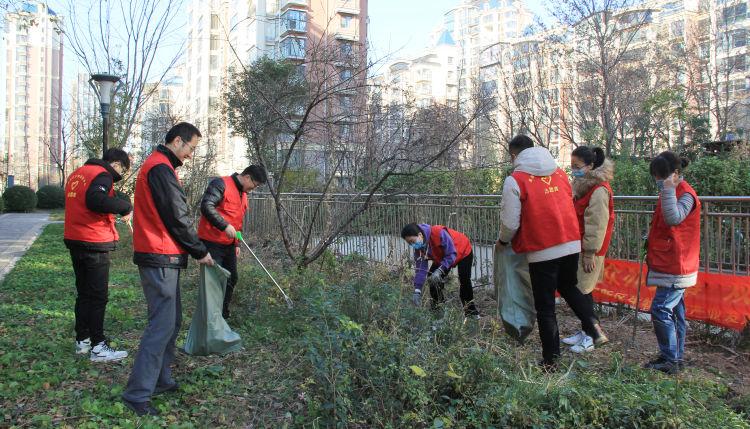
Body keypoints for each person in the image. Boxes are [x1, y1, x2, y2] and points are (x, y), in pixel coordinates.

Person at [122, 122, 214, 416]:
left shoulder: (161, 166)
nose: (190, 155)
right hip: (158, 254)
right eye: (191, 148)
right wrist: (199, 250)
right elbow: (177, 215)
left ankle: (161, 379)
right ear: (178, 141)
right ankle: (137, 394)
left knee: (171, 322)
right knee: (161, 325)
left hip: (163, 255)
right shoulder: (160, 167)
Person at [496, 135, 606, 370]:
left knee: (546, 307)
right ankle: (593, 326)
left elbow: (511, 223)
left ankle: (551, 361)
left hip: (542, 248)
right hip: (570, 242)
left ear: (514, 155)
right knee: (568, 286)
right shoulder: (559, 173)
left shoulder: (515, 180)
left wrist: (503, 241)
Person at [64, 148, 133, 362]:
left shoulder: (78, 174)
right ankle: (98, 346)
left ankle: (82, 340)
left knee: (84, 292)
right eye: (122, 169)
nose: (118, 175)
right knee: (97, 296)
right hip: (94, 241)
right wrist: (125, 206)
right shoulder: (101, 174)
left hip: (75, 238)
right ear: (116, 163)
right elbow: (95, 200)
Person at [643, 151, 700, 375]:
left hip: (678, 264)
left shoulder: (685, 194)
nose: (658, 181)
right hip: (670, 260)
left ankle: (670, 359)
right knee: (675, 311)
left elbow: (673, 218)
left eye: (661, 176)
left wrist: (668, 189)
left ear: (675, 174)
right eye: (656, 176)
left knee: (660, 309)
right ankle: (674, 356)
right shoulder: (671, 191)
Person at [197, 165, 267, 319]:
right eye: (254, 185)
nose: (253, 189)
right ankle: (210, 318)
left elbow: (237, 221)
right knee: (214, 281)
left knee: (231, 277)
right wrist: (224, 225)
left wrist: (237, 243)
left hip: (229, 244)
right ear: (247, 177)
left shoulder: (243, 194)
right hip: (211, 242)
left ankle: (222, 314)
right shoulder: (220, 184)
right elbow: (206, 206)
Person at [561, 146, 613, 353]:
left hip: (589, 250)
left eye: (577, 166)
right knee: (583, 290)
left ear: (590, 166)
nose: (574, 170)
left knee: (582, 291)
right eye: (572, 166)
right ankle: (586, 331)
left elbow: (597, 223)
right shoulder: (584, 187)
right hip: (580, 246)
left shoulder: (599, 190)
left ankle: (592, 335)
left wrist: (590, 252)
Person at [401, 223, 479, 318]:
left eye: (412, 241)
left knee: (464, 280)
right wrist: (417, 291)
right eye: (410, 243)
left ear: (420, 235)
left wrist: (440, 271)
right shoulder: (420, 248)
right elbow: (421, 269)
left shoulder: (438, 232)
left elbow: (451, 254)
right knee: (432, 279)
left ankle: (471, 313)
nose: (413, 245)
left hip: (462, 250)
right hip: (443, 257)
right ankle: (438, 311)